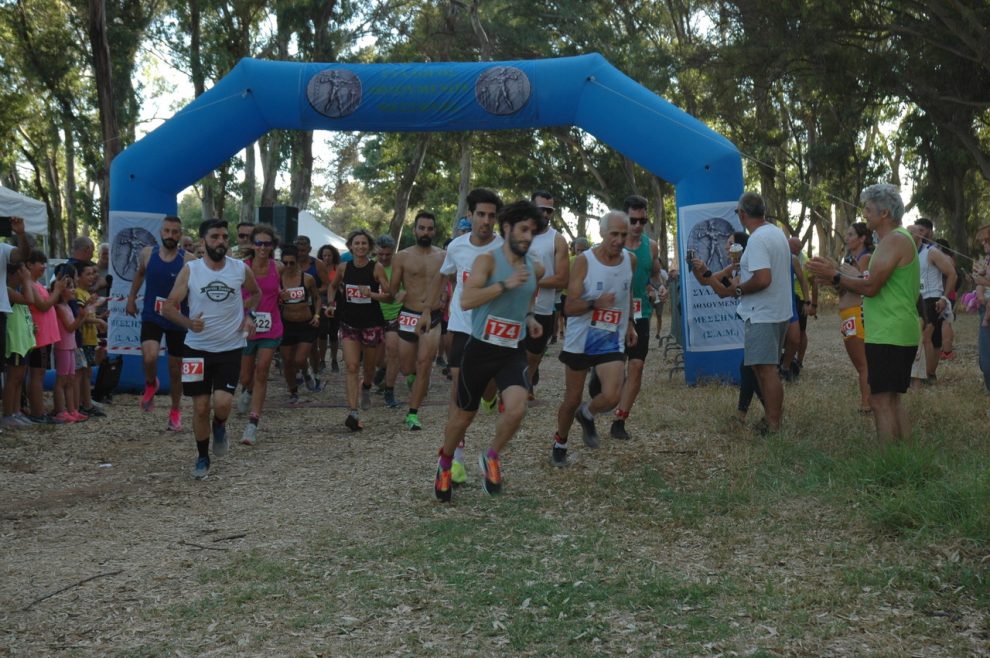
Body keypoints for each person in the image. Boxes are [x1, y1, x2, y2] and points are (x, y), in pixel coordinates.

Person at [434, 200, 544, 501]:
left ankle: (491, 456)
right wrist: (504, 285)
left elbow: (526, 299)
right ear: (507, 228)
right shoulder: (488, 262)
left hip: (512, 350)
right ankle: (445, 464)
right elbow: (467, 300)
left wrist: (530, 317)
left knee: (518, 407)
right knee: (462, 418)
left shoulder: (535, 266)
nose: (527, 236)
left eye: (532, 232)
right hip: (480, 349)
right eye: (523, 229)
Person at [809, 184, 920, 442]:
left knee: (880, 401)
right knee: (892, 400)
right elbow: (867, 279)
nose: (865, 215)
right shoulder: (895, 240)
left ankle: (889, 466)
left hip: (889, 331)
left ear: (884, 214)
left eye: (868, 210)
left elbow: (870, 287)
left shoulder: (893, 240)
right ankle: (902, 461)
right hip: (896, 329)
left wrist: (835, 274)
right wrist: (836, 274)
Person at [161, 219, 261, 479]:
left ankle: (220, 426)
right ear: (203, 240)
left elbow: (256, 293)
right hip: (196, 349)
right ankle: (202, 457)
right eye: (215, 236)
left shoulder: (240, 269)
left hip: (230, 347)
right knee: (201, 407)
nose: (221, 242)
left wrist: (249, 314)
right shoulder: (191, 270)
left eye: (225, 237)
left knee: (223, 403)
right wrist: (188, 324)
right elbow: (169, 307)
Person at [551, 210, 637, 466]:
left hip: (610, 336)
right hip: (581, 336)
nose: (619, 240)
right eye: (614, 234)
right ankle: (560, 442)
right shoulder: (583, 261)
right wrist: (595, 303)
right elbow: (569, 307)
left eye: (624, 234)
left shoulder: (629, 261)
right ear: (601, 233)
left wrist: (630, 322)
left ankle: (587, 413)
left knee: (612, 396)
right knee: (572, 398)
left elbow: (628, 291)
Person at [436, 187, 503, 483]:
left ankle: (490, 396)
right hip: (463, 326)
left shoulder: (505, 248)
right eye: (480, 214)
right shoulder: (456, 247)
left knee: (487, 388)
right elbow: (447, 274)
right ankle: (457, 460)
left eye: (491, 215)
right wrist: (433, 306)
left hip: (493, 329)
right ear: (470, 215)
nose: (486, 221)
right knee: (458, 393)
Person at [716, 192, 792, 433]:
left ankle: (773, 423)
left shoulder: (758, 239)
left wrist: (738, 288)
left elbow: (763, 279)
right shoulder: (777, 233)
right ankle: (771, 419)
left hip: (763, 313)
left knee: (766, 369)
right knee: (763, 368)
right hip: (777, 311)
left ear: (742, 214)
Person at [125, 215, 194, 431]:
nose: (171, 235)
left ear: (180, 235)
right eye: (167, 231)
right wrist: (130, 298)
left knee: (175, 370)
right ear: (161, 232)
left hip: (176, 317)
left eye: (175, 232)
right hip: (152, 314)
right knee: (150, 355)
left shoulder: (188, 259)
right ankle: (150, 382)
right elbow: (140, 275)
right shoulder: (148, 253)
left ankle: (175, 411)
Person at [611, 195, 664, 440]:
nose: (638, 225)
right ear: (625, 218)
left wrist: (658, 287)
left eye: (643, 220)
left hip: (641, 311)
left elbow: (655, 275)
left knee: (637, 365)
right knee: (611, 370)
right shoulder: (613, 243)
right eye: (634, 220)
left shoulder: (651, 246)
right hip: (611, 313)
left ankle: (620, 419)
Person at [327, 229, 391, 431]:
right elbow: (332, 287)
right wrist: (330, 303)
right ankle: (353, 412)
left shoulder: (377, 268)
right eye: (357, 243)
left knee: (369, 368)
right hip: (349, 323)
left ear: (369, 247)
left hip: (372, 324)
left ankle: (367, 386)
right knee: (352, 366)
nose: (361, 246)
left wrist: (371, 294)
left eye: (364, 243)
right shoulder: (344, 267)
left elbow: (389, 295)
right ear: (351, 246)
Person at [388, 211, 446, 431]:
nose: (425, 232)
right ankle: (413, 378)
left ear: (434, 231)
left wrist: (446, 296)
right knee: (406, 367)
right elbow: (392, 289)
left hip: (432, 316)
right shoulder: (402, 256)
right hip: (409, 315)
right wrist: (396, 294)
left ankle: (413, 414)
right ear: (415, 230)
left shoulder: (443, 256)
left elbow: (455, 281)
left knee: (424, 364)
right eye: (421, 228)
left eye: (429, 229)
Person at [234, 224, 283, 446]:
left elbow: (289, 285)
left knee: (262, 371)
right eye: (259, 243)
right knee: (245, 377)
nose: (263, 247)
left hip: (271, 327)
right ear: (252, 245)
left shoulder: (279, 267)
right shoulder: (241, 268)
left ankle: (252, 424)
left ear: (273, 246)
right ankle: (248, 389)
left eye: (267, 243)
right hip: (246, 326)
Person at [524, 190, 569, 400]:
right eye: (540, 208)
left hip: (543, 307)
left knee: (533, 355)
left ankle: (529, 376)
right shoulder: (516, 234)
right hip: (514, 307)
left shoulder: (557, 240)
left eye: (549, 210)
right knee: (512, 352)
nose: (544, 213)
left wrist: (529, 280)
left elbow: (562, 279)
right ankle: (520, 390)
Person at [908, 219, 956, 383]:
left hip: (932, 299)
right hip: (915, 300)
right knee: (934, 340)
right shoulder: (908, 254)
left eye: (913, 233)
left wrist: (944, 297)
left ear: (921, 235)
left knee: (926, 338)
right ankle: (930, 374)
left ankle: (925, 376)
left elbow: (952, 274)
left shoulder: (932, 252)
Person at [836, 222, 874, 414]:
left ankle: (866, 403)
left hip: (856, 313)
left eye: (851, 234)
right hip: (847, 315)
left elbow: (865, 283)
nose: (847, 237)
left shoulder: (865, 258)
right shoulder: (850, 259)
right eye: (847, 234)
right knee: (860, 363)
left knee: (863, 363)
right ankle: (867, 400)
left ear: (862, 238)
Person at [25, 250, 66, 424]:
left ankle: (37, 410)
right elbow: (43, 306)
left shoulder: (38, 284)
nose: (43, 267)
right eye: (39, 263)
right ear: (29, 265)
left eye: (44, 263)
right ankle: (38, 413)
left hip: (45, 337)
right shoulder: (31, 286)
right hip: (39, 337)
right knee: (37, 375)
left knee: (39, 374)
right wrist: (57, 291)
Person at [277, 245, 321, 404]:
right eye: (285, 263)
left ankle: (306, 371)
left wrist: (317, 315)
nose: (288, 266)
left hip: (305, 323)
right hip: (287, 324)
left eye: (291, 263)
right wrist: (279, 297)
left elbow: (317, 298)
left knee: (299, 359)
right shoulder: (278, 278)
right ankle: (293, 391)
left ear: (298, 262)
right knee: (287, 361)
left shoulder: (307, 279)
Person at [3, 261, 37, 429]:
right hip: (15, 340)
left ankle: (16, 412)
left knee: (19, 379)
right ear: (12, 274)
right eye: (22, 271)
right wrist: (27, 281)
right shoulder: (7, 291)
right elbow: (30, 300)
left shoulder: (17, 290)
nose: (26, 273)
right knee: (12, 379)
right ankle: (8, 414)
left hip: (23, 340)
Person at [371, 235, 403, 408]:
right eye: (380, 254)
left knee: (393, 353)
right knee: (377, 360)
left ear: (393, 253)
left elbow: (398, 294)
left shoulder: (400, 268)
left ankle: (389, 391)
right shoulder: (370, 267)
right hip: (374, 316)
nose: (383, 258)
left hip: (395, 315)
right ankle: (382, 370)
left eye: (387, 255)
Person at [295, 235, 330, 386]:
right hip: (293, 307)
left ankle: (315, 372)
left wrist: (311, 290)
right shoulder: (289, 263)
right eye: (298, 248)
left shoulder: (318, 264)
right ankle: (300, 370)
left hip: (313, 307)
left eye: (303, 249)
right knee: (295, 343)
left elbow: (327, 285)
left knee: (312, 345)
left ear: (309, 249)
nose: (300, 251)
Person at [74, 260, 107, 418]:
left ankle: (86, 402)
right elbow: (82, 317)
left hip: (90, 339)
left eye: (93, 274)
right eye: (87, 274)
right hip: (84, 340)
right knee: (84, 373)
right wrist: (98, 321)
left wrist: (100, 317)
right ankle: (84, 404)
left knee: (87, 373)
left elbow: (89, 315)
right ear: (78, 277)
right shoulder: (79, 294)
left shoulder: (87, 294)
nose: (92, 277)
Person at [787, 236, 818, 379]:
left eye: (797, 248)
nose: (795, 249)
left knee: (801, 332)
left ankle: (799, 361)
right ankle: (788, 359)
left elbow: (814, 283)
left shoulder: (805, 261)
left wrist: (812, 304)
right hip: (787, 298)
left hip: (799, 301)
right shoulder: (785, 256)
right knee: (790, 333)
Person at [316, 244, 341, 373]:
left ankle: (334, 360)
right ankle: (321, 360)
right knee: (322, 333)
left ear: (334, 256)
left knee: (334, 333)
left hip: (336, 303)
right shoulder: (318, 268)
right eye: (324, 255)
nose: (326, 258)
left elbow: (339, 286)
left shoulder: (338, 268)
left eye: (329, 255)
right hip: (321, 302)